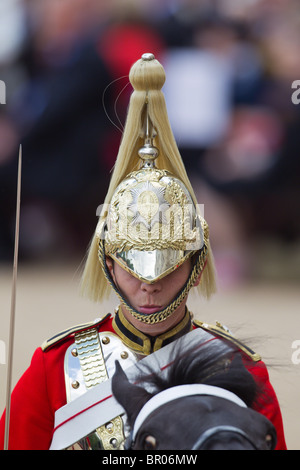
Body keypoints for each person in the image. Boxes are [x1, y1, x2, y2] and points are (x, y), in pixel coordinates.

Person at [0, 53, 286, 450]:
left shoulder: (244, 369)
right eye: (134, 268)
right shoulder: (52, 367)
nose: (148, 287)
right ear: (109, 265)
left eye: (166, 269)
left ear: (197, 265)